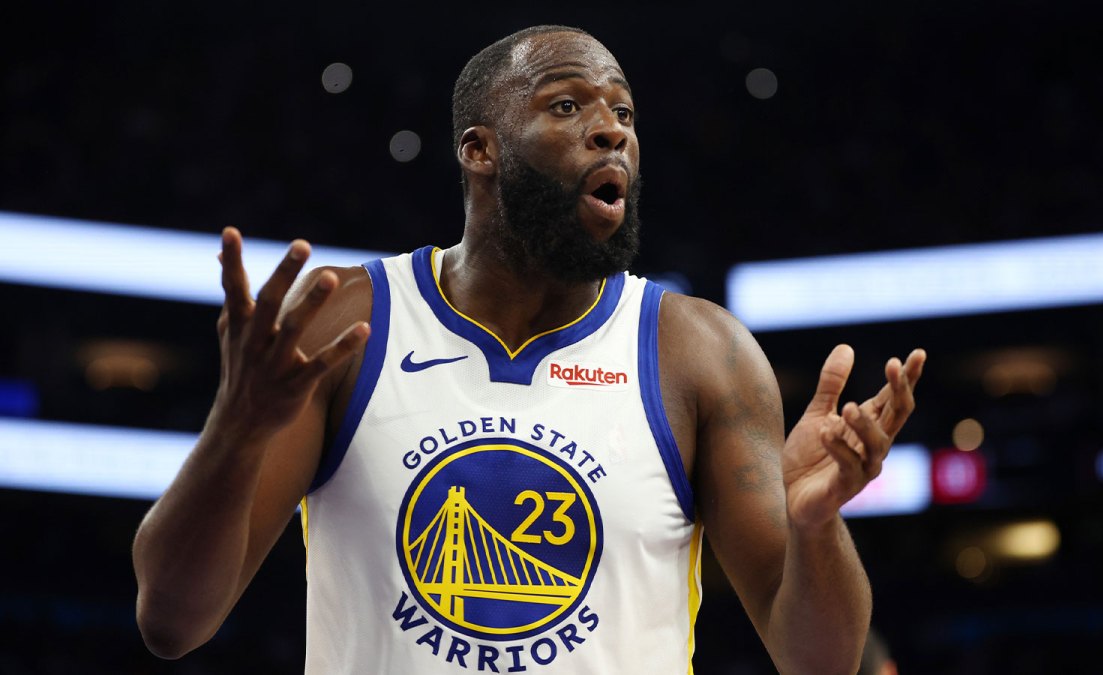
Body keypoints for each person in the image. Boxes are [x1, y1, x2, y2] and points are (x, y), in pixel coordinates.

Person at [132, 25, 925, 674]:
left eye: (624, 111)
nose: (611, 126)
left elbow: (818, 662)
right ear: (480, 150)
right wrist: (233, 430)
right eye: (568, 104)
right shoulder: (349, 323)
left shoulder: (700, 353)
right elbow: (172, 620)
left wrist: (818, 526)